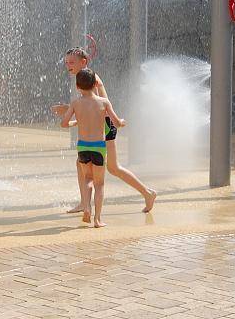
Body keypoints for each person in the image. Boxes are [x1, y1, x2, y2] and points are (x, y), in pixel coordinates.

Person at [52, 47, 157, 213]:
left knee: (111, 167)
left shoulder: (92, 78)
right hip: (105, 123)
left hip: (106, 125)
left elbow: (97, 105)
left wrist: (67, 109)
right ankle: (84, 203)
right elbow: (89, 105)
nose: (68, 65)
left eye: (71, 62)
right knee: (89, 165)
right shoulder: (83, 77)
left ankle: (147, 193)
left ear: (83, 62)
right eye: (66, 62)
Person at [59, 68, 124, 228]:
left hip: (82, 146)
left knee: (87, 179)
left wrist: (75, 122)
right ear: (96, 84)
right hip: (99, 147)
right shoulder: (104, 102)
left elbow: (64, 124)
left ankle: (86, 207)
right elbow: (115, 123)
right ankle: (97, 219)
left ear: (77, 86)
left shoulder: (75, 103)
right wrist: (122, 122)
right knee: (99, 183)